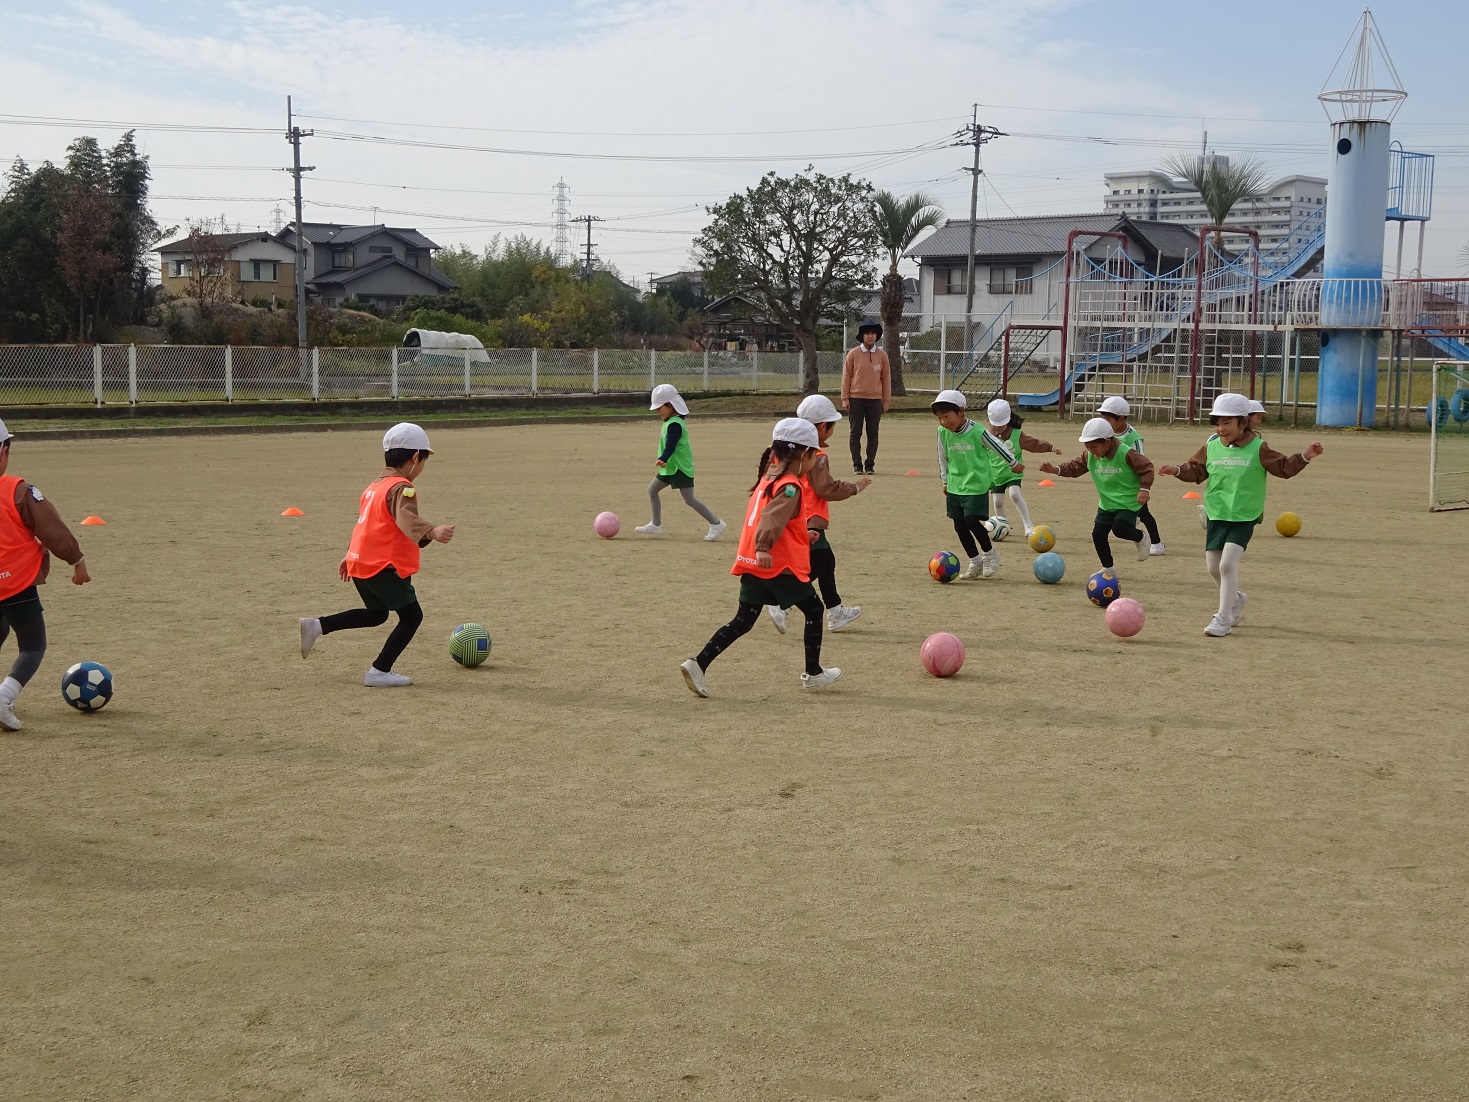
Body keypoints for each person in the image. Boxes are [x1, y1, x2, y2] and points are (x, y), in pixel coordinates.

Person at [680, 419, 842, 697]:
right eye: (814, 455)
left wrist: (804, 534)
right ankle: (813, 673)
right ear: (803, 455)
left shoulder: (769, 478)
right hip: (777, 566)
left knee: (744, 620)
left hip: (752, 563)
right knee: (815, 611)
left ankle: (698, 664)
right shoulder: (790, 485)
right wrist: (764, 548)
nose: (816, 460)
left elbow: (780, 520)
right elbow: (771, 520)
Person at [299, 423, 455, 686]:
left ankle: (316, 626)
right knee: (412, 616)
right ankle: (379, 671)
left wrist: (350, 555)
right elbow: (406, 518)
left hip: (363, 564)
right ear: (416, 457)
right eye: (424, 459)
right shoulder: (401, 488)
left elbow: (364, 524)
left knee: (377, 614)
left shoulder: (374, 487)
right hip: (382, 566)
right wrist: (432, 531)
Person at [1157, 393, 1323, 637]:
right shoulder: (1211, 446)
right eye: (1217, 423)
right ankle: (1236, 599)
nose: (1221, 428)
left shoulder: (1258, 448)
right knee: (1213, 567)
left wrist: (1305, 456)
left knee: (1226, 565)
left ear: (1242, 423)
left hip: (1244, 516)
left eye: (1227, 423)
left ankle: (1223, 618)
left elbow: (1284, 467)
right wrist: (1177, 470)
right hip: (1217, 513)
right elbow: (1196, 470)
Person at [0, 419, 90, 730]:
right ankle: (4, 697)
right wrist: (76, 559)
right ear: (4, 451)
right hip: (14, 584)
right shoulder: (18, 491)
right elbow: (51, 528)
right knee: (33, 645)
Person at [766, 394, 871, 636]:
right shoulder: (817, 456)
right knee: (819, 562)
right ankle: (783, 602)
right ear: (823, 426)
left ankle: (835, 611)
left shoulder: (788, 451)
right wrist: (853, 488)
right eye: (831, 426)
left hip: (797, 516)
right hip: (811, 518)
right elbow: (825, 488)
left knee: (827, 563)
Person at [1038, 417, 1154, 571]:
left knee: (1120, 529)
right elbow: (1074, 467)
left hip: (1128, 501)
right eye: (1087, 447)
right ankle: (1108, 568)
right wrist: (1054, 469)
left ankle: (1142, 537)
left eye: (1094, 447)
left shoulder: (1126, 453)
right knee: (1098, 534)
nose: (1091, 450)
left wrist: (1144, 489)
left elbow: (1147, 467)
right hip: (1107, 502)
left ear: (1107, 442)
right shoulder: (1089, 455)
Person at [931, 389, 1019, 579]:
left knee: (971, 520)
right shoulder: (942, 432)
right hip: (955, 484)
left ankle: (989, 554)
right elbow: (942, 457)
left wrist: (1013, 463)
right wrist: (945, 481)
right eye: (940, 418)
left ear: (961, 411)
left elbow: (997, 445)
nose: (944, 422)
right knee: (959, 525)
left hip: (977, 483)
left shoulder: (977, 430)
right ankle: (975, 561)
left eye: (947, 416)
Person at [635, 383, 726, 540]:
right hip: (671, 468)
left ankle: (716, 524)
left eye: (659, 407)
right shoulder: (670, 422)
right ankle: (656, 525)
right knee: (652, 490)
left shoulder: (675, 425)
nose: (657, 411)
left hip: (680, 468)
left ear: (670, 406)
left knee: (689, 499)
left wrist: (663, 458)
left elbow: (671, 445)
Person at [1097, 395, 1166, 556]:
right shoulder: (1108, 435)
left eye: (1108, 419)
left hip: (1132, 487)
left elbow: (1142, 462)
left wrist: (1142, 487)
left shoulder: (1133, 438)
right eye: (1103, 418)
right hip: (1117, 486)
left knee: (1144, 514)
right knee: (1143, 514)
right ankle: (1155, 542)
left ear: (1120, 419)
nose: (1104, 422)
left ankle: (1156, 543)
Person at [983, 398, 1061, 538]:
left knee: (1014, 494)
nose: (999, 428)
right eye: (996, 425)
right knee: (998, 502)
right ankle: (1004, 526)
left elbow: (1034, 444)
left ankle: (1028, 524)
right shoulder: (986, 436)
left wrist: (1050, 447)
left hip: (1013, 473)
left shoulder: (1017, 434)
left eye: (1002, 424)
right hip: (995, 476)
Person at [841, 321, 890, 475]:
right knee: (855, 433)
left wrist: (886, 400)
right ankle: (857, 464)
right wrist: (845, 398)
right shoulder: (853, 354)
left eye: (873, 333)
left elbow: (886, 379)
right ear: (862, 336)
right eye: (867, 333)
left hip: (875, 401)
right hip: (856, 399)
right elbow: (846, 377)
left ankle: (870, 464)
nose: (870, 336)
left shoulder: (882, 355)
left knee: (873, 433)